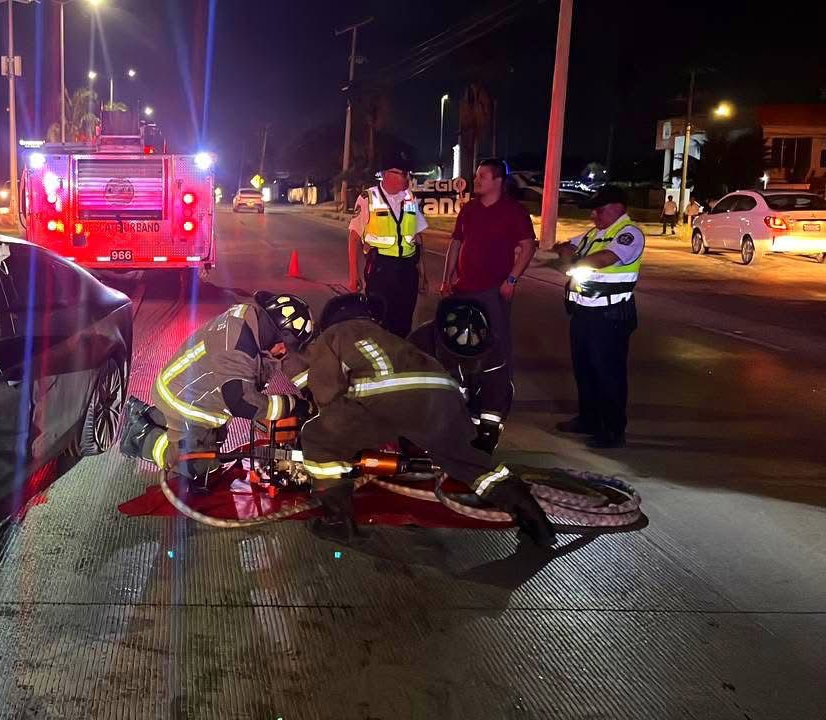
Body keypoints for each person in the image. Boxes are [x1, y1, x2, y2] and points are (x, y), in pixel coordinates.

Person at [295, 293, 554, 545]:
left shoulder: (333, 336)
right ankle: (535, 521)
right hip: (443, 394)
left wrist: (327, 427)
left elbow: (327, 394)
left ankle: (337, 522)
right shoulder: (387, 337)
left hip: (387, 399)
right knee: (467, 462)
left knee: (318, 439)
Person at [121, 292, 316, 494]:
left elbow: (289, 361)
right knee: (199, 472)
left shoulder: (258, 325)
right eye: (285, 346)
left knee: (215, 441)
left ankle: (152, 416)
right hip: (185, 401)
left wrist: (313, 393)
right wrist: (293, 405)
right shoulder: (238, 346)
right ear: (277, 335)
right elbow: (242, 402)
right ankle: (140, 435)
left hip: (198, 395)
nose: (285, 351)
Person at [436, 158, 536, 448]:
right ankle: (465, 399)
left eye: (481, 176)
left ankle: (495, 405)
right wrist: (446, 279)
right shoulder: (469, 210)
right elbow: (456, 244)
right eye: (476, 175)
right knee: (459, 348)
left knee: (495, 350)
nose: (475, 180)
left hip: (492, 293)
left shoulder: (513, 212)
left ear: (497, 181)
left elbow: (528, 246)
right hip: (462, 292)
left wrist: (512, 280)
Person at [553, 185, 644, 449]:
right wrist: (569, 253)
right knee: (584, 369)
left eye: (599, 209)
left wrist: (574, 262)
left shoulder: (629, 234)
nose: (594, 214)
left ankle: (613, 429)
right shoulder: (596, 233)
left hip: (609, 314)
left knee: (608, 373)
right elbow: (564, 246)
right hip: (583, 312)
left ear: (618, 208)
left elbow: (606, 258)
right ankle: (589, 419)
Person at [409, 296, 508, 454]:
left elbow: (496, 393)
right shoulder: (420, 343)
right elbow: (407, 394)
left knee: (504, 391)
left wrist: (487, 433)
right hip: (430, 402)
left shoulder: (493, 349)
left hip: (469, 401)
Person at [347, 160, 429, 338]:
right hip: (381, 270)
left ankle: (399, 362)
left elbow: (417, 238)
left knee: (404, 324)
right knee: (380, 325)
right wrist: (354, 276)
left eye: (407, 173)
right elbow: (354, 238)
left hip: (408, 271)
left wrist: (422, 273)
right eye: (402, 173)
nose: (406, 177)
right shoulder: (367, 198)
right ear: (386, 174)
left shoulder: (410, 197)